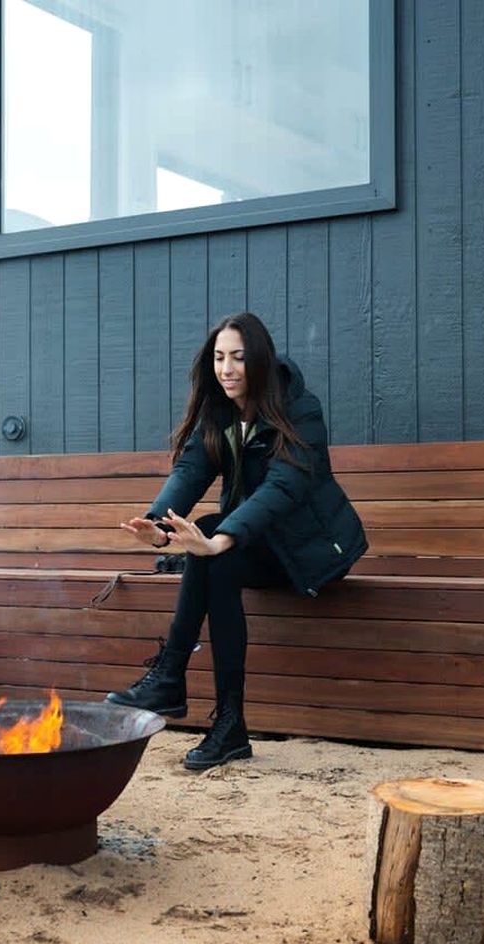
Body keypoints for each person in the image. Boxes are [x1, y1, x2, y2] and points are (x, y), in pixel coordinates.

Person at [106, 312, 366, 770]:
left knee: (213, 547)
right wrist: (160, 528)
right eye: (220, 358)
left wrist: (220, 539)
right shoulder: (220, 409)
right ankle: (225, 724)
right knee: (211, 551)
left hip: (312, 551)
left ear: (260, 360)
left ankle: (177, 682)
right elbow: (190, 470)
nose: (227, 369)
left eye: (238, 358)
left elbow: (284, 488)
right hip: (255, 541)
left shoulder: (300, 409)